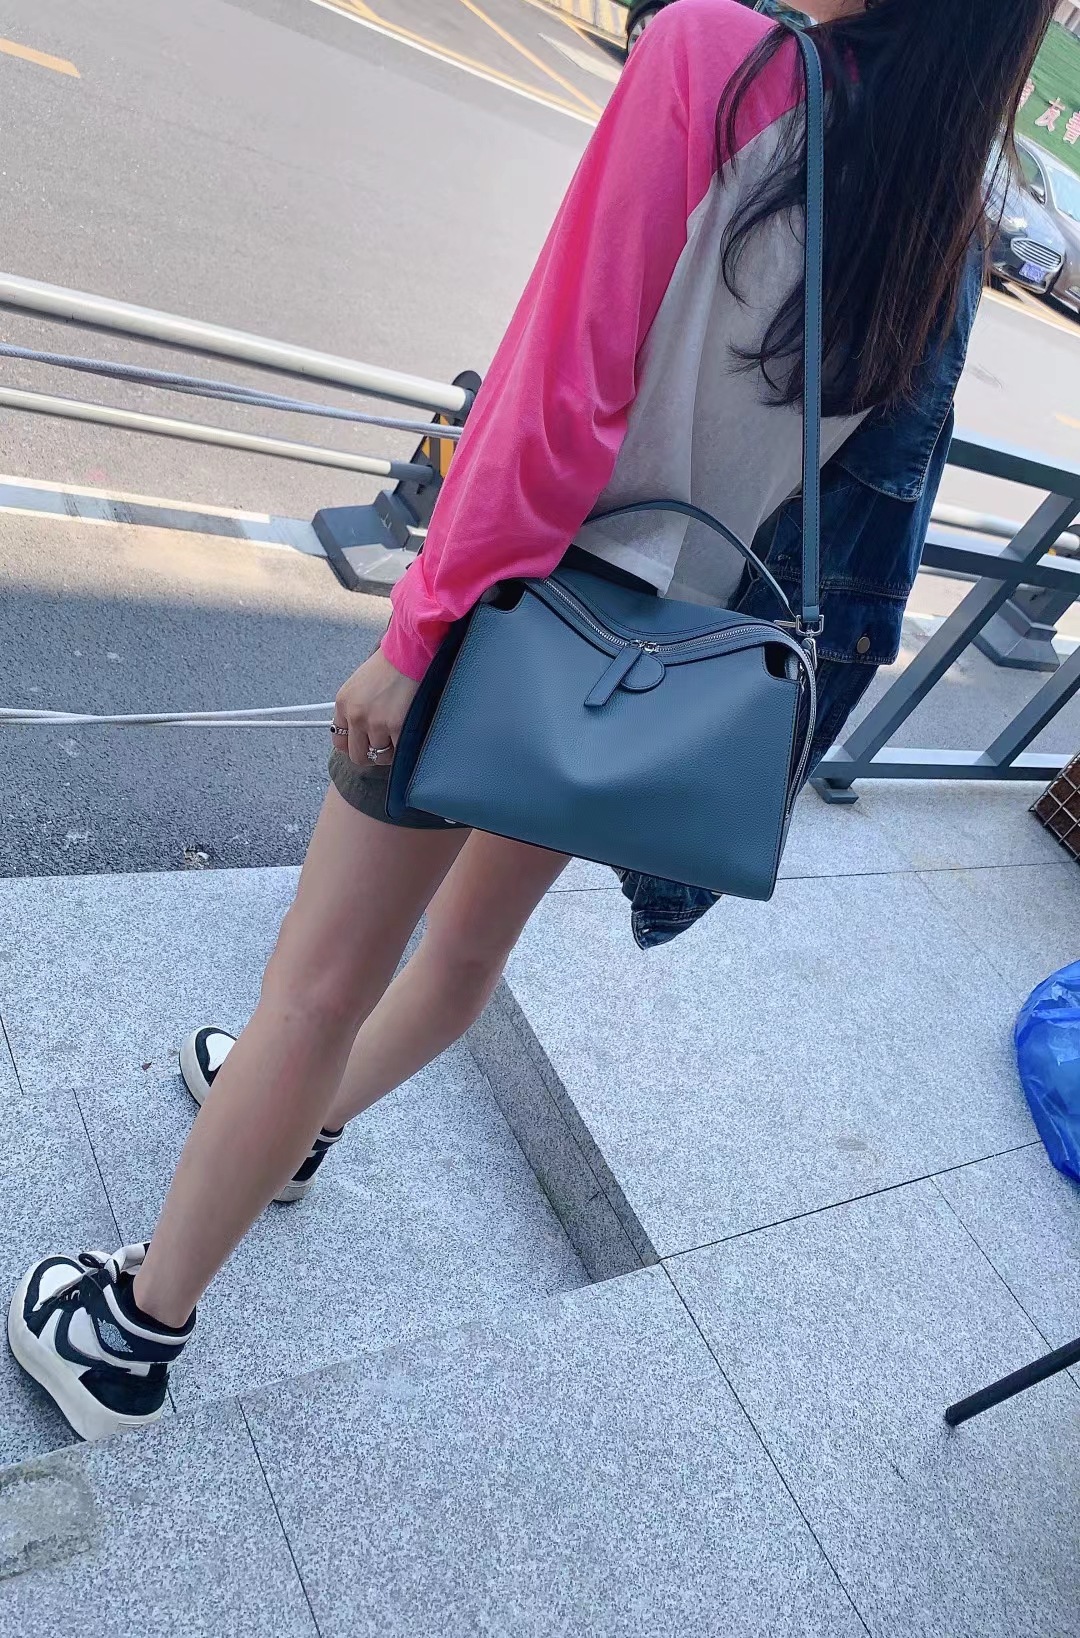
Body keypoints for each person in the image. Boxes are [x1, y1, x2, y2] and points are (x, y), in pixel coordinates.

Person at [9, 0, 1052, 1441]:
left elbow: (555, 403)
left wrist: (415, 633)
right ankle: (296, 1127)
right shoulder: (944, 206)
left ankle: (132, 1334)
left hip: (515, 612)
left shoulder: (718, 59)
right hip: (662, 671)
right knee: (461, 955)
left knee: (315, 986)